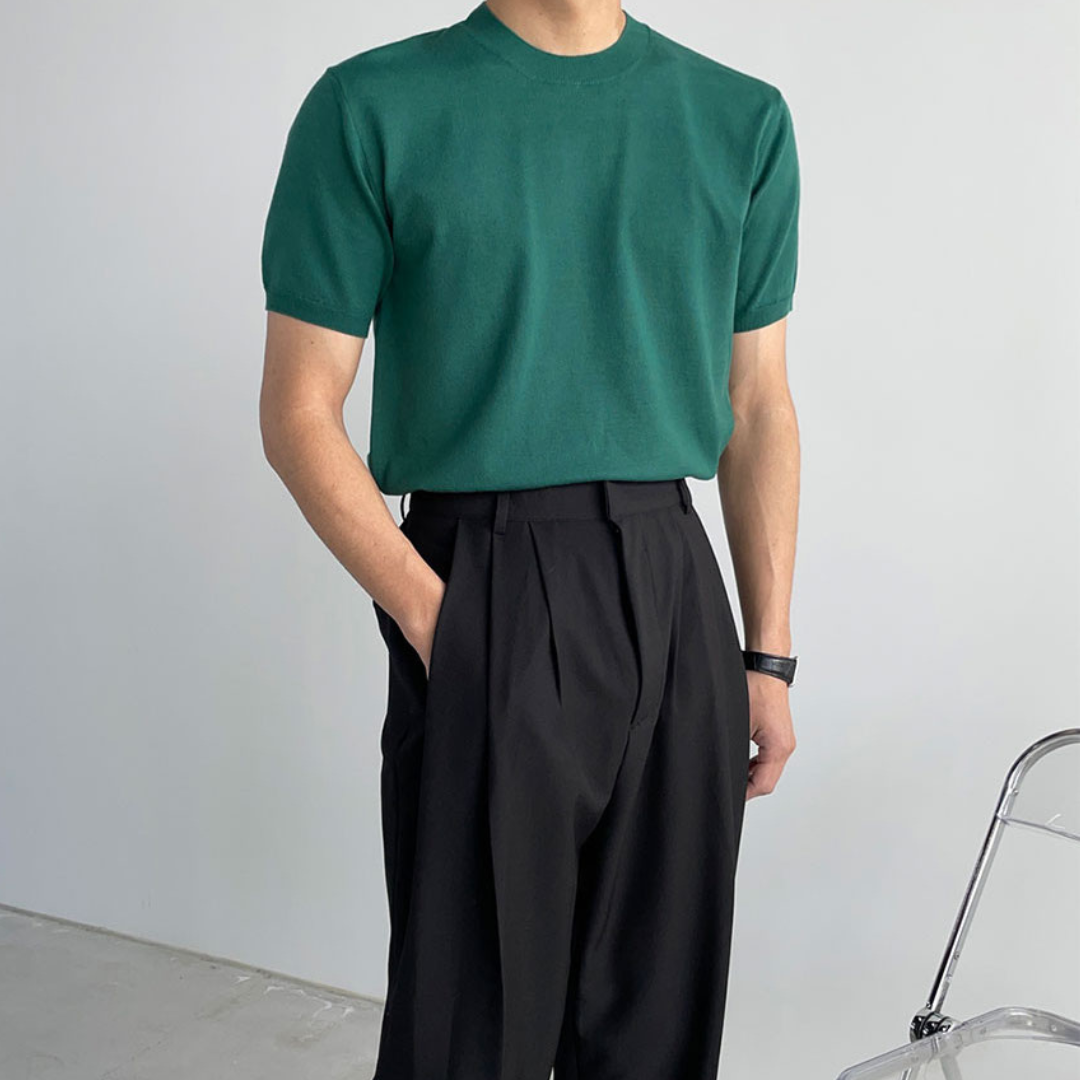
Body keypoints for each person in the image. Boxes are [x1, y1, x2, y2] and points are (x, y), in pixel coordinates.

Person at [258, 1, 801, 1076]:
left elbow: (760, 401)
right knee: (470, 1028)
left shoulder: (740, 118)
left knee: (658, 1019)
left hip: (676, 583)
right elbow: (298, 410)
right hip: (483, 570)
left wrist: (767, 655)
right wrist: (440, 619)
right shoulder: (371, 106)